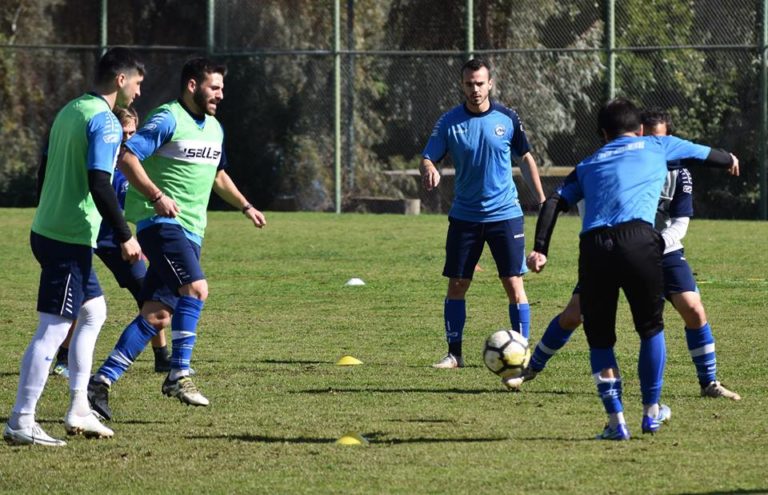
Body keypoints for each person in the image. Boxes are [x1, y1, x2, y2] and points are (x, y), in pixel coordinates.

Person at [526, 98, 739, 441]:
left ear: (603, 134)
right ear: (639, 129)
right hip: (639, 241)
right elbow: (707, 154)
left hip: (594, 246)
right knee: (651, 329)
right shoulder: (657, 144)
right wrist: (729, 159)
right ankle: (651, 413)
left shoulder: (589, 162)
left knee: (600, 340)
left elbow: (554, 201)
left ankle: (615, 422)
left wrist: (540, 249)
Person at [87, 57, 266, 421]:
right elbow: (127, 157)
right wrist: (156, 196)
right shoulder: (167, 117)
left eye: (221, 88)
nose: (220, 94)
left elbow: (218, 177)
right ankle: (179, 373)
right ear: (192, 85)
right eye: (213, 87)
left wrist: (245, 205)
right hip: (160, 225)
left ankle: (100, 382)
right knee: (197, 289)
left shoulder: (214, 128)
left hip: (191, 231)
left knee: (157, 315)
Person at [3, 47, 145, 446]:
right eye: (136, 81)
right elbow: (101, 182)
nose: (137, 89)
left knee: (94, 310)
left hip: (52, 230)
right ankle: (21, 419)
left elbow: (44, 168)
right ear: (121, 79)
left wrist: (49, 206)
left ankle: (79, 408)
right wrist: (125, 235)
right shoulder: (105, 121)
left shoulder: (71, 109)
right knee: (53, 329)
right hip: (67, 238)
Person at [420, 58, 546, 373]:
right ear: (461, 85)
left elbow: (526, 157)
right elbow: (428, 155)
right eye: (469, 84)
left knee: (513, 283)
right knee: (458, 284)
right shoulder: (449, 122)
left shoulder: (507, 118)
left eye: (480, 83)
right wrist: (430, 167)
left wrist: (542, 199)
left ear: (489, 83)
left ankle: (522, 354)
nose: (475, 89)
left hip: (505, 214)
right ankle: (454, 355)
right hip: (465, 216)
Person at [49, 107, 172, 379]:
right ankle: (63, 359)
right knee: (81, 300)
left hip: (120, 240)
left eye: (132, 132)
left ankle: (162, 358)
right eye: (123, 132)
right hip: (85, 235)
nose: (127, 138)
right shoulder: (98, 162)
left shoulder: (134, 165)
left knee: (149, 295)